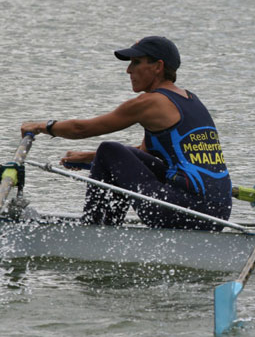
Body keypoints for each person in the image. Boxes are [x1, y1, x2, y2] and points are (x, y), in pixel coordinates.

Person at [21, 36, 232, 230]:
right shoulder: (190, 99)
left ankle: (95, 233)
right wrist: (90, 159)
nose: (128, 71)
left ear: (158, 66)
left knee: (109, 148)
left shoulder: (150, 103)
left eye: (136, 62)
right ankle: (104, 228)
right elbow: (143, 153)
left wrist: (42, 126)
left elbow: (81, 129)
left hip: (188, 211)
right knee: (114, 153)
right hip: (217, 212)